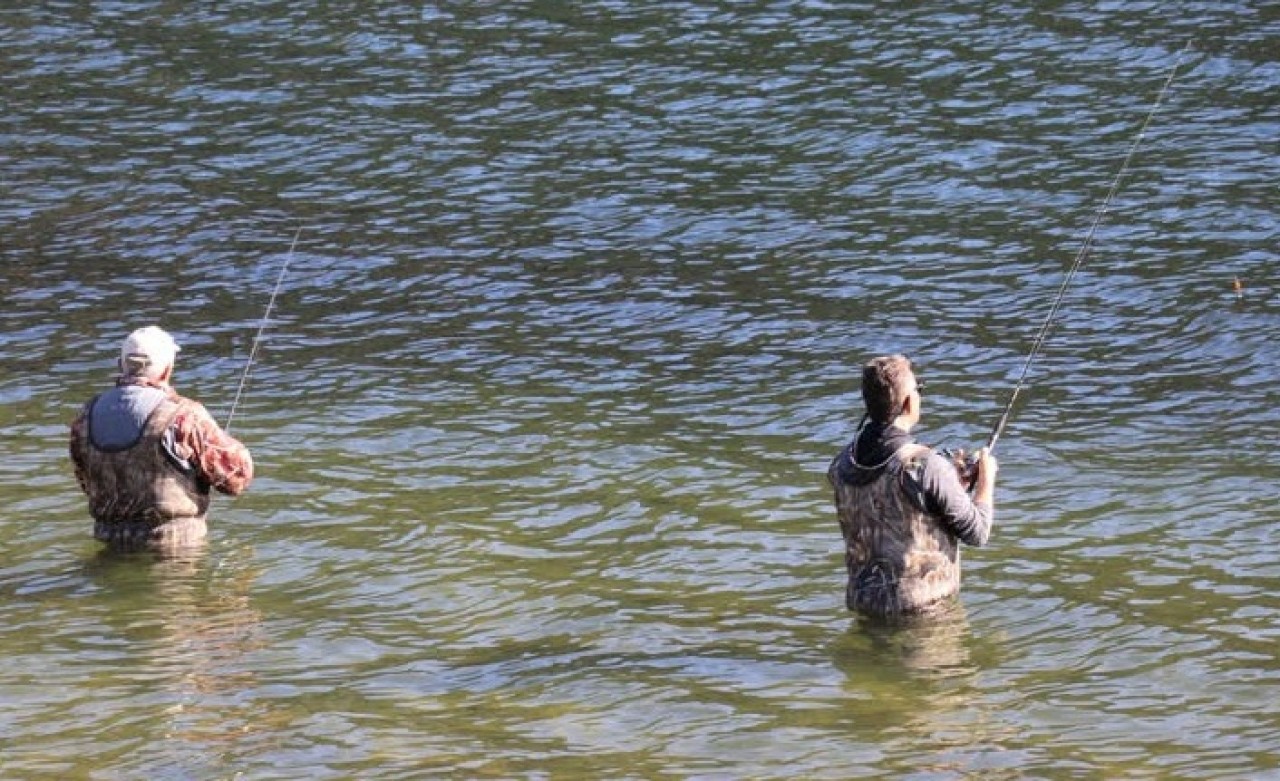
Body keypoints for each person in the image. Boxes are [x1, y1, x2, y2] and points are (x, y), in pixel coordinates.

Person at [827, 354, 996, 617]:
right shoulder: (926, 466)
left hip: (865, 607)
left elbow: (885, 509)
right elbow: (978, 532)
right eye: (919, 389)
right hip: (925, 614)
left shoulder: (840, 465)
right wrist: (986, 480)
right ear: (908, 402)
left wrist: (953, 486)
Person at [70, 326, 253, 551]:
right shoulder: (185, 415)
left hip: (110, 544)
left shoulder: (85, 416)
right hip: (176, 548)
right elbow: (236, 480)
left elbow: (85, 482)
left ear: (120, 365)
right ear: (167, 371)